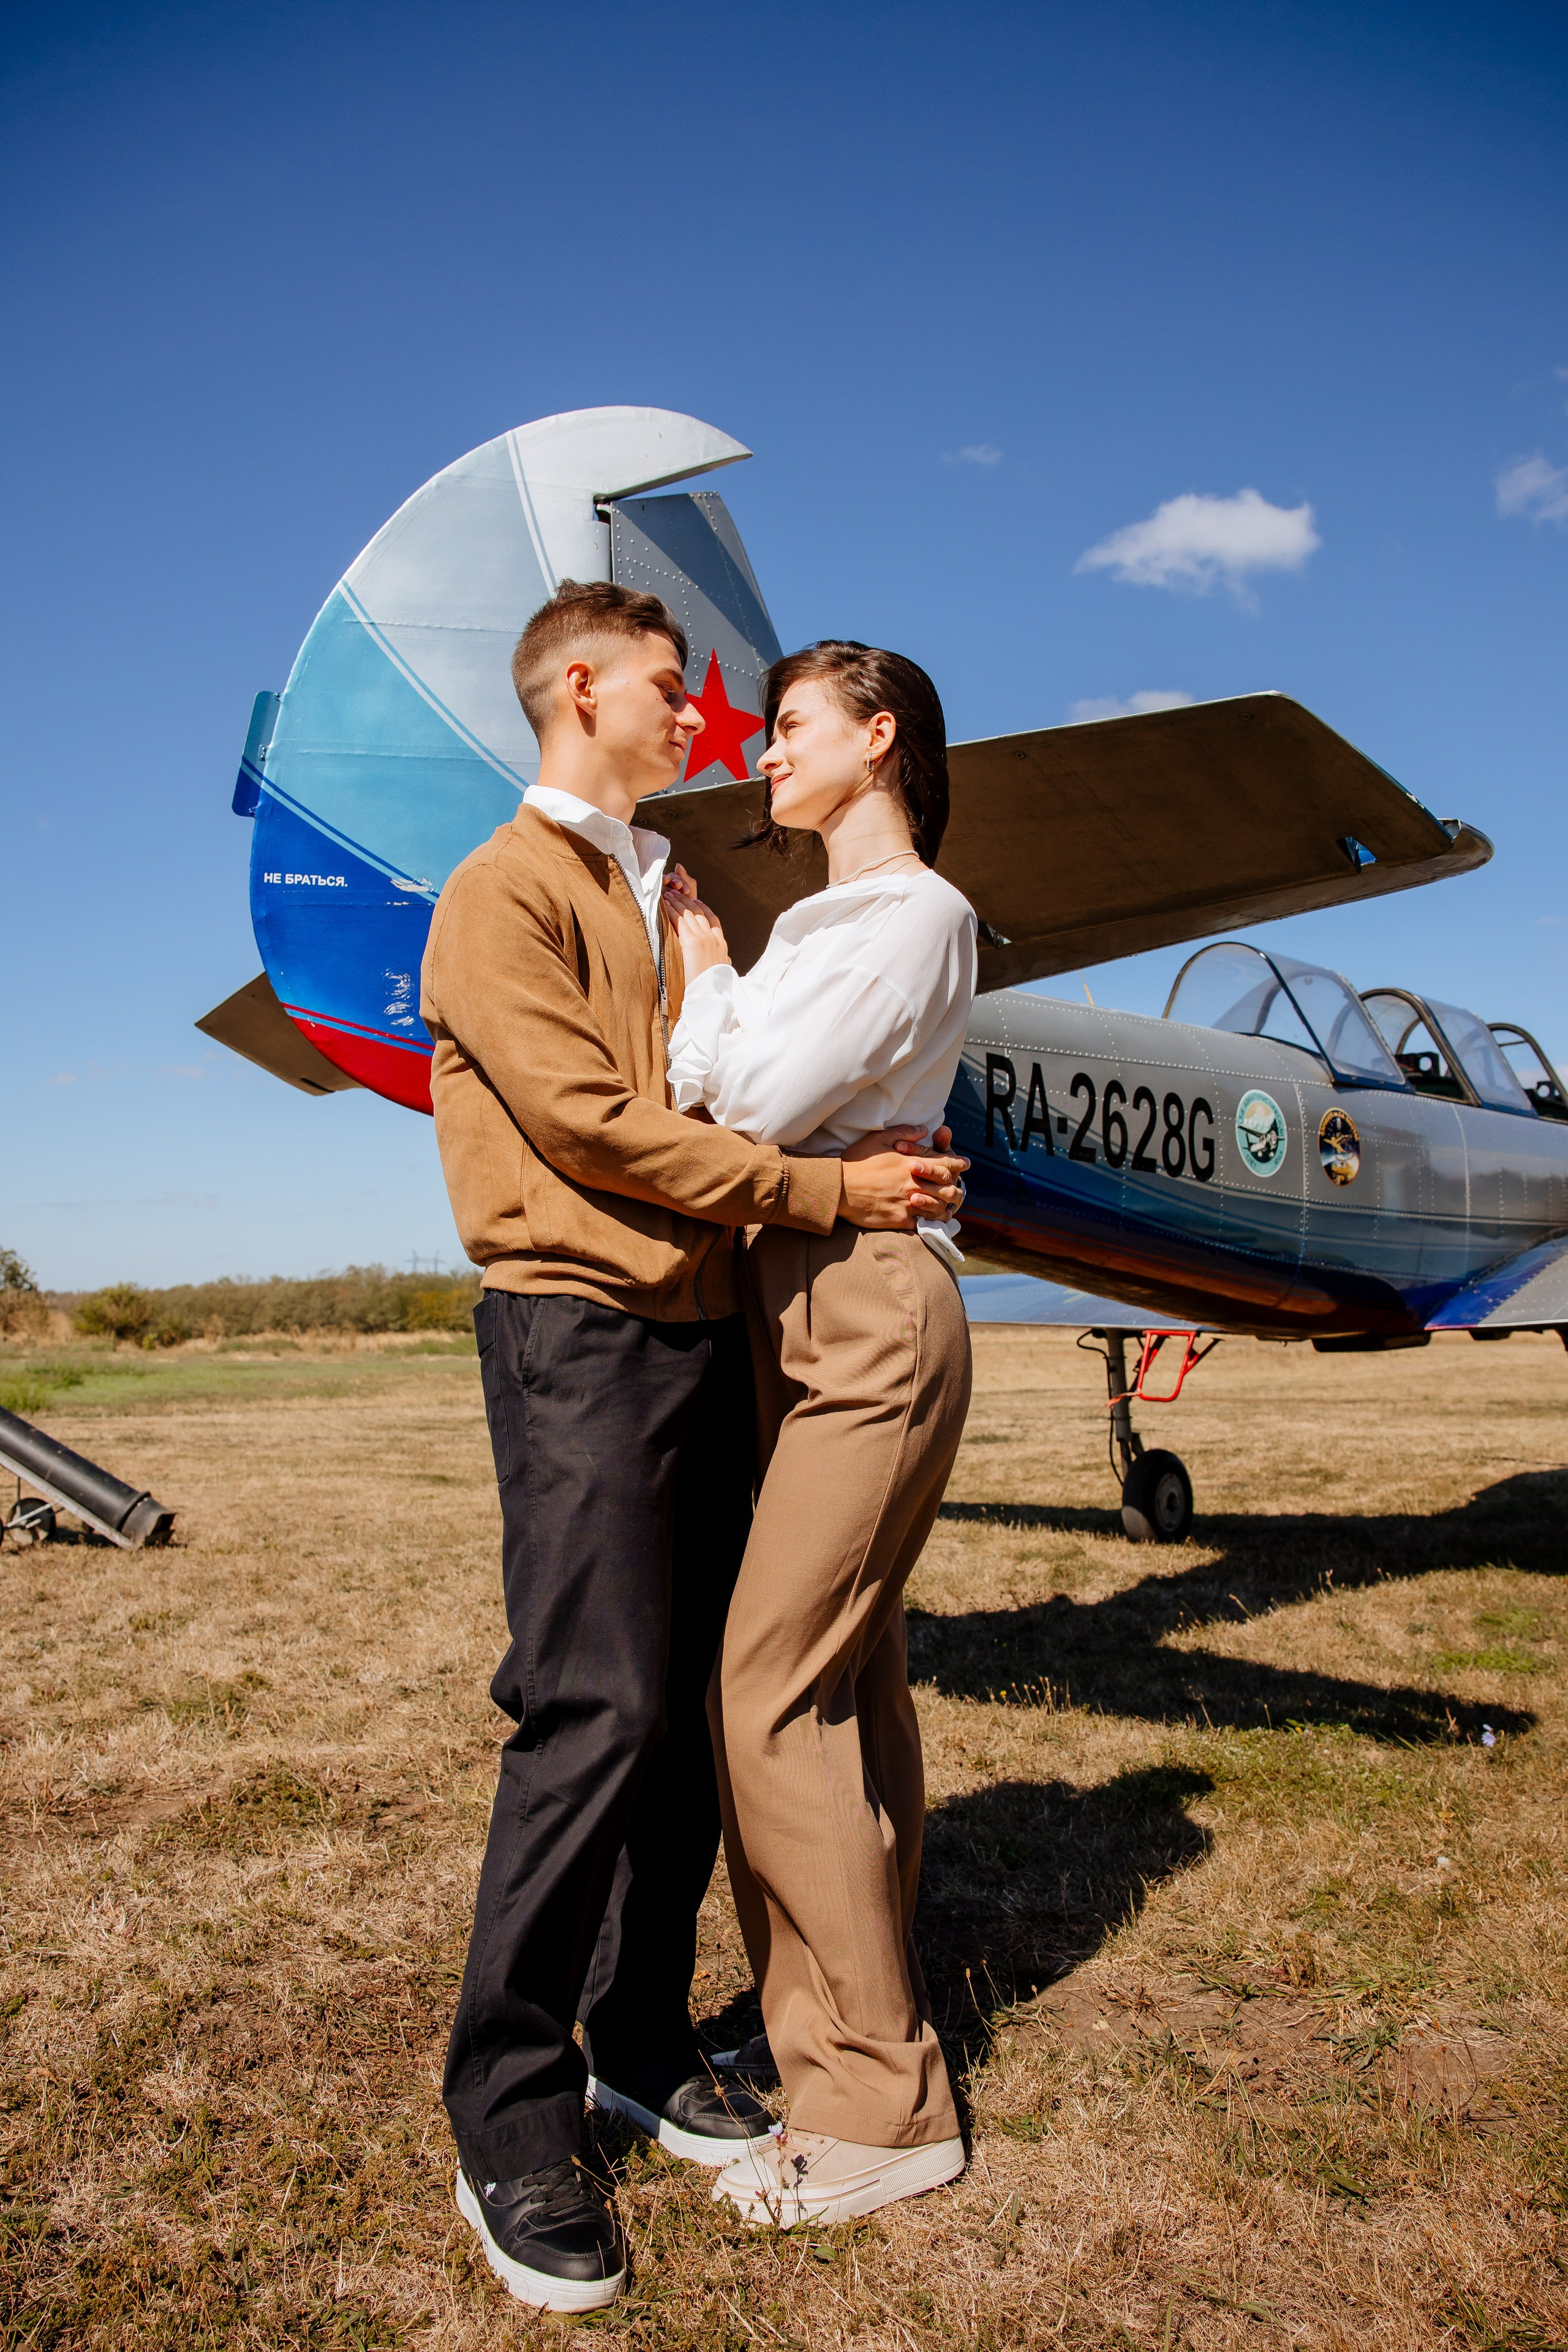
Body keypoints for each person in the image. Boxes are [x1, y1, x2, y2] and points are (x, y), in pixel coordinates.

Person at [419, 581, 967, 2314]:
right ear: (582, 691)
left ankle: (642, 2041)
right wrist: (829, 1189)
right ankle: (508, 2104)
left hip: (709, 1333)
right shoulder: (500, 893)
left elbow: (730, 1080)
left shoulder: (674, 891)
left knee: (701, 1716)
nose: (703, 721)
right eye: (673, 690)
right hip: (580, 1330)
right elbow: (607, 1123)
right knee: (597, 1710)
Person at [661, 639, 978, 2227]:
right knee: (844, 1681)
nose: (762, 757)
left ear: (881, 736)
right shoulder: (818, 927)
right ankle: (838, 2042)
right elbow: (714, 1084)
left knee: (765, 1687)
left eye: (788, 731)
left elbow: (747, 1098)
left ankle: (876, 2108)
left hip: (864, 1302)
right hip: (792, 1300)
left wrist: (713, 997)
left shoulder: (916, 913)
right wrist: (728, 1022)